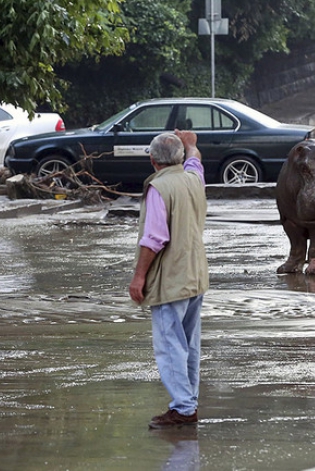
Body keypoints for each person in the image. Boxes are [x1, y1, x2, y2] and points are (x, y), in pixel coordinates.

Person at [129, 129, 208, 429]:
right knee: (188, 344)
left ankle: (184, 409)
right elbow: (196, 161)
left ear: (152, 160)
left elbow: (154, 239)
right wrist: (191, 145)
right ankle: (188, 402)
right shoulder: (193, 178)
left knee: (170, 345)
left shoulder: (159, 188)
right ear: (179, 158)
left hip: (171, 280)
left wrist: (139, 277)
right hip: (195, 275)